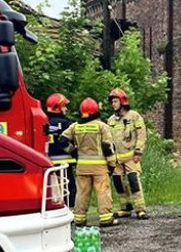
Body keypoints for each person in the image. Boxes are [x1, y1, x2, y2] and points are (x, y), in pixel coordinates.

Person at [61, 98, 118, 227]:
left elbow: (62, 140)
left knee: (82, 192)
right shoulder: (101, 126)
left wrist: (74, 152)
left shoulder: (75, 126)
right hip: (100, 168)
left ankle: (79, 218)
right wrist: (112, 164)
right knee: (103, 192)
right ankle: (106, 218)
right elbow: (107, 147)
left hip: (82, 167)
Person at [107, 88, 149, 220]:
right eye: (112, 102)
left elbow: (142, 135)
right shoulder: (111, 120)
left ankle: (140, 209)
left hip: (131, 156)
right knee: (118, 182)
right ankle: (125, 208)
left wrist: (138, 151)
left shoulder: (134, 116)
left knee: (133, 181)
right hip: (117, 159)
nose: (113, 104)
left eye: (115, 101)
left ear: (122, 101)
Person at [44, 93, 77, 207]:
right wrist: (74, 152)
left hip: (47, 165)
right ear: (57, 107)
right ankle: (69, 211)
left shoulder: (42, 122)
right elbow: (73, 142)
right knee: (69, 189)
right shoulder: (65, 124)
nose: (66, 109)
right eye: (64, 106)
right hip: (64, 165)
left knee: (51, 191)